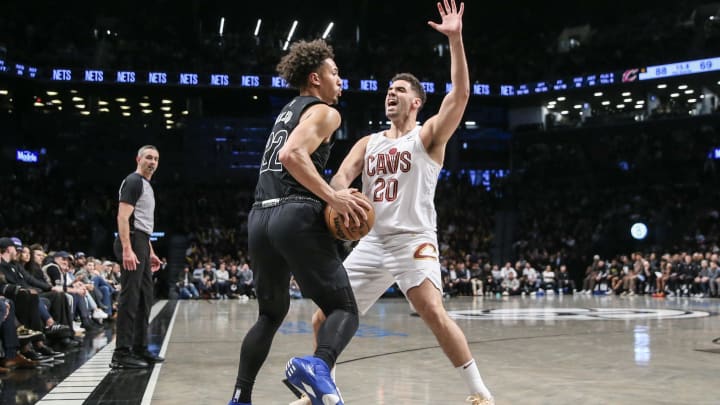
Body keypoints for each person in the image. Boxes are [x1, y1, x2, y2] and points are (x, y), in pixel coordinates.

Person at [308, 2, 494, 404]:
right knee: (322, 317)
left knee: (431, 309)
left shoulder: (427, 137)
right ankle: (324, 393)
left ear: (416, 103)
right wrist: (339, 198)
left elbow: (460, 94)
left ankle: (480, 394)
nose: (391, 94)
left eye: (400, 91)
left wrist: (456, 40)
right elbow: (342, 176)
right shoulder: (368, 142)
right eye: (389, 90)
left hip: (413, 238)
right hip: (373, 241)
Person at [228, 38, 370, 405]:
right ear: (315, 78)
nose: (341, 80)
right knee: (344, 309)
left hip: (259, 218)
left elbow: (283, 153)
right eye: (335, 73)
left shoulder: (288, 111)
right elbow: (292, 155)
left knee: (270, 314)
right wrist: (334, 196)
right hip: (294, 213)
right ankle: (319, 365)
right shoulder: (325, 112)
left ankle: (240, 397)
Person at [110, 145, 165, 369]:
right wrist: (127, 248)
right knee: (130, 298)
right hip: (131, 240)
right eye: (148, 157)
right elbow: (123, 218)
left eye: (156, 158)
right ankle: (121, 353)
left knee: (144, 298)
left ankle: (139, 348)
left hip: (141, 241)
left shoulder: (147, 185)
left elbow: (142, 223)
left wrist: (150, 251)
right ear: (138, 159)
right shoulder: (133, 181)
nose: (152, 162)